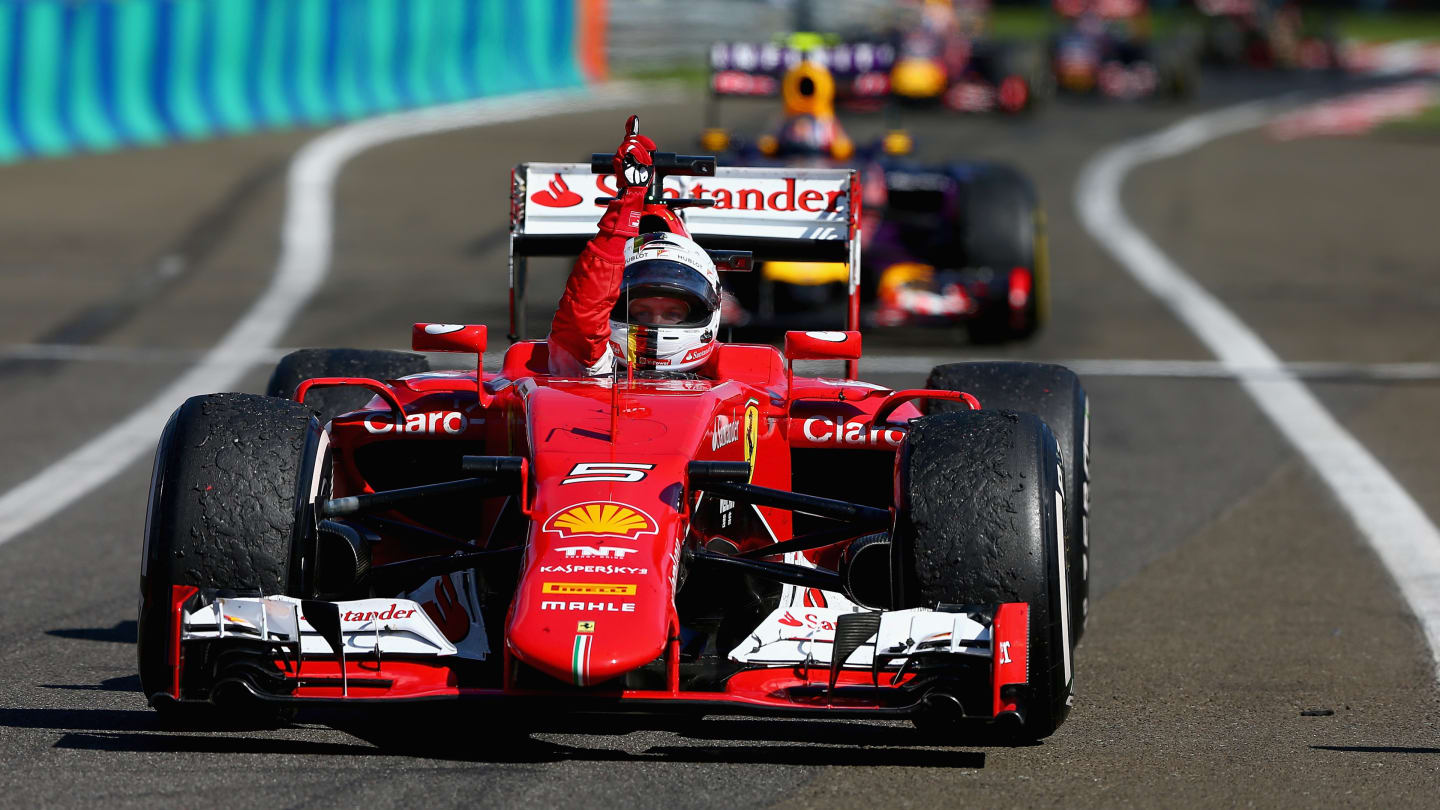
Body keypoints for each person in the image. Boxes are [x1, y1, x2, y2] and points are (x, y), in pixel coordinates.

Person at [547, 117, 721, 377]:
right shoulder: (590, 368)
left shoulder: (738, 384)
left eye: (672, 313)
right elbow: (584, 317)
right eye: (641, 312)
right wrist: (628, 203)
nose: (656, 324)